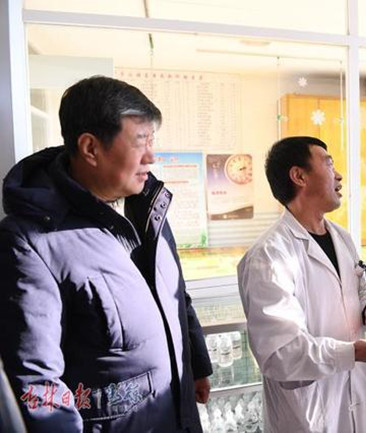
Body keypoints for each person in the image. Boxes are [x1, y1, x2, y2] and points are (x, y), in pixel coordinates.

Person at [0, 76, 212, 432]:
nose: (151, 156)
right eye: (140, 141)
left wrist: (197, 364)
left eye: (152, 141)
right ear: (90, 148)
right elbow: (36, 385)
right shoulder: (31, 242)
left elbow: (177, 295)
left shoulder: (148, 209)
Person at [238, 136, 366, 433]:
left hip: (355, 399)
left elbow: (361, 284)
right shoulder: (269, 256)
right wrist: (352, 353)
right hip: (308, 413)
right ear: (299, 176)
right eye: (329, 164)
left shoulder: (341, 237)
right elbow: (281, 354)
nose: (339, 175)